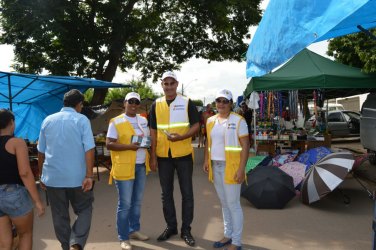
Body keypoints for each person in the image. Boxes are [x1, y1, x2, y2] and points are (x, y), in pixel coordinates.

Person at [37, 89, 95, 250]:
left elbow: (40, 151)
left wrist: (41, 175)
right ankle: (76, 242)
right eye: (82, 104)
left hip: (53, 178)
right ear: (78, 104)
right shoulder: (82, 120)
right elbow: (89, 149)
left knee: (59, 215)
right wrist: (89, 175)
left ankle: (65, 246)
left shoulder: (47, 120)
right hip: (77, 178)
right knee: (84, 209)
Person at [149, 71, 199, 247]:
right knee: (166, 194)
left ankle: (186, 229)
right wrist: (152, 156)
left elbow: (196, 125)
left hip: (183, 154)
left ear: (177, 84)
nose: (169, 87)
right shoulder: (156, 104)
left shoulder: (186, 102)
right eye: (166, 83)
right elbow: (153, 132)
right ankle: (171, 227)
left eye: (172, 83)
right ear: (162, 85)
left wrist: (182, 137)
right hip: (163, 156)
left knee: (187, 194)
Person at [203, 89, 250, 250]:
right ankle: (228, 235)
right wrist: (206, 160)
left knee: (233, 204)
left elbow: (245, 145)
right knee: (224, 203)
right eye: (219, 100)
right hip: (216, 166)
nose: (221, 104)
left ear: (230, 103)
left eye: (225, 101)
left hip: (232, 167)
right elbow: (208, 143)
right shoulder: (210, 121)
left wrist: (241, 169)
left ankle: (236, 242)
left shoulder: (239, 121)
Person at [106, 92, 150, 250]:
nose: (133, 104)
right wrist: (129, 147)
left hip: (140, 165)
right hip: (124, 167)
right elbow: (109, 144)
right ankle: (123, 237)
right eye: (130, 101)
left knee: (137, 203)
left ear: (139, 104)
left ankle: (134, 230)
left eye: (136, 102)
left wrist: (146, 145)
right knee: (125, 204)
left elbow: (147, 140)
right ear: (124, 103)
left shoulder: (143, 120)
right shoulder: (116, 122)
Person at [0, 109, 45, 250]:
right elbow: (25, 173)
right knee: (25, 234)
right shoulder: (17, 143)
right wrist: (37, 201)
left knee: (4, 242)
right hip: (14, 194)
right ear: (12, 123)